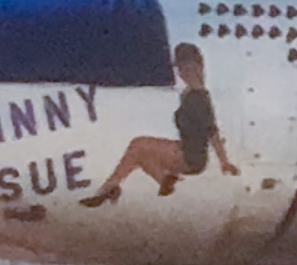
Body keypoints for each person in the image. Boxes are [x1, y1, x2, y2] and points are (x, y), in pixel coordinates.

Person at [80, 43, 236, 205]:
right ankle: (116, 187)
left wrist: (224, 161)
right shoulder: (189, 94)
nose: (183, 73)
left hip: (191, 158)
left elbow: (212, 131)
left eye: (188, 68)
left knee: (138, 146)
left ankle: (125, 186)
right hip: (184, 148)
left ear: (199, 68)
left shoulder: (199, 98)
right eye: (181, 69)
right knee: (138, 153)